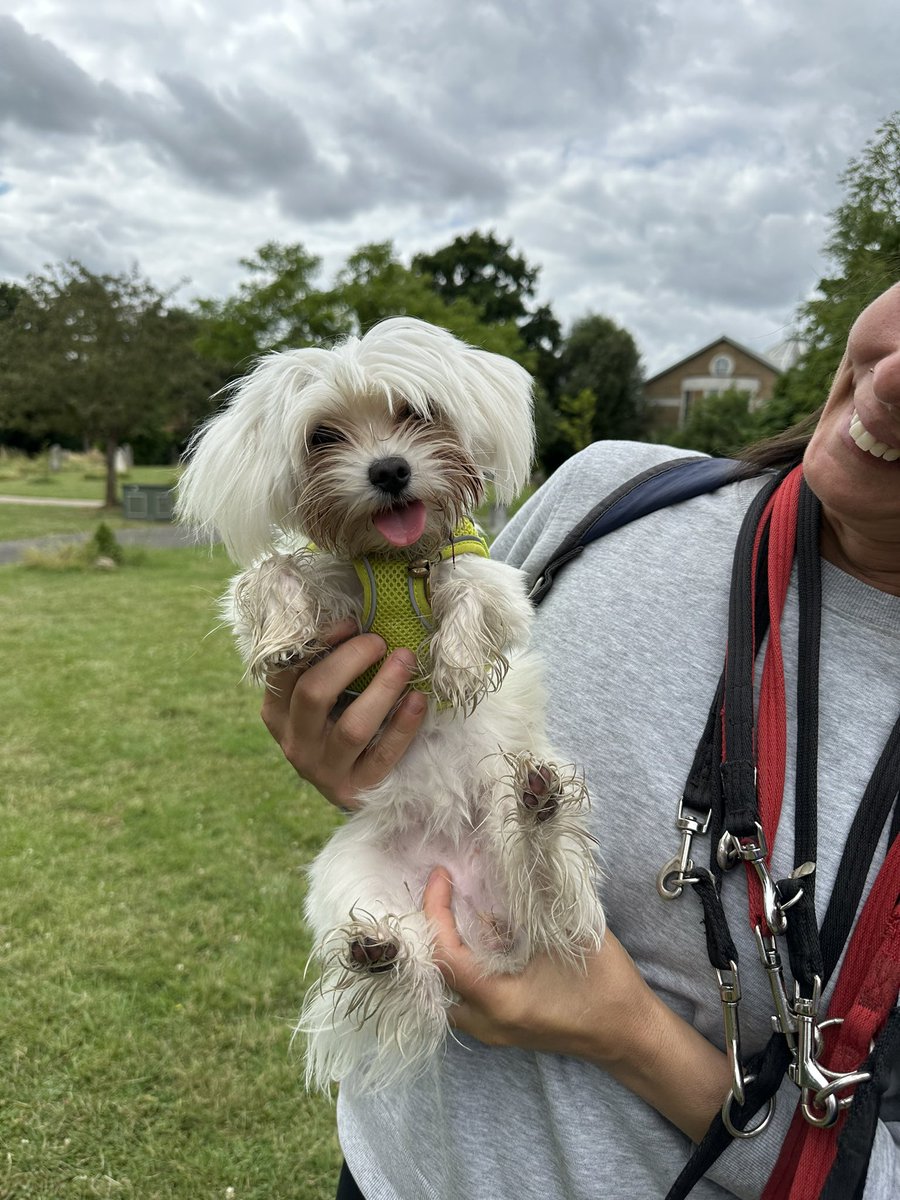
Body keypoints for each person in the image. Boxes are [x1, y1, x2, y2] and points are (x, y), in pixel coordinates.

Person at [262, 283, 900, 1199]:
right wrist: (362, 753)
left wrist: (625, 1030)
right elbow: (445, 709)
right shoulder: (611, 495)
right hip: (391, 1172)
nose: (890, 382)